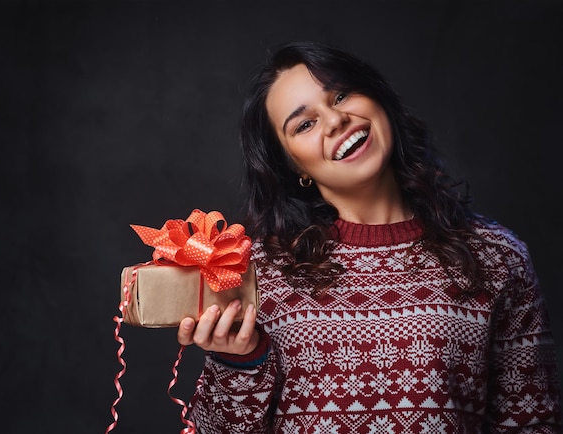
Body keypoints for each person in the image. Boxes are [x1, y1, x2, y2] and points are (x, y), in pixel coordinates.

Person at [176, 41, 562, 433]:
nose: (335, 120)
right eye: (304, 124)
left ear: (378, 98)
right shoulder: (257, 269)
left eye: (341, 94)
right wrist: (238, 362)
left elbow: (533, 423)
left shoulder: (497, 255)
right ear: (293, 166)